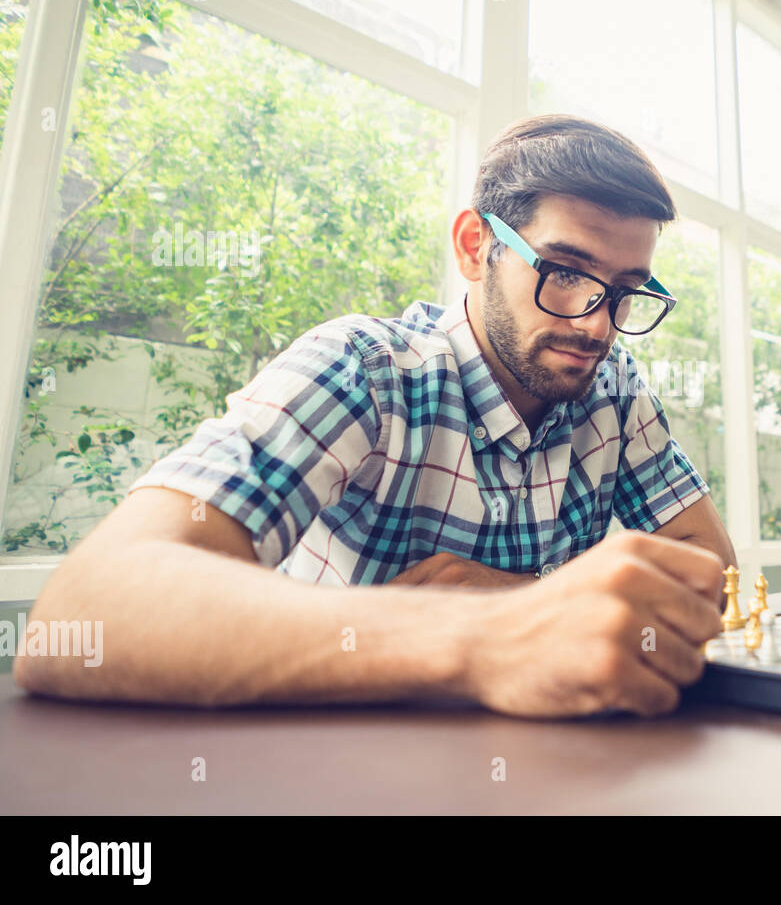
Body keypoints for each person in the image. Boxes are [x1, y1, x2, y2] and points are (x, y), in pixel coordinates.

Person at [16, 114, 736, 718]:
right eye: (566, 273)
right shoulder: (364, 369)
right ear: (475, 247)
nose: (595, 325)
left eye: (625, 292)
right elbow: (85, 613)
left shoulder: (614, 385)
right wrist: (484, 633)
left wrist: (522, 599)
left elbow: (712, 569)